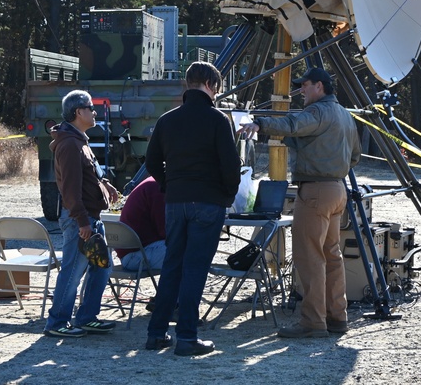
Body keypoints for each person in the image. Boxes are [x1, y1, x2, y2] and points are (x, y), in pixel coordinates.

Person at [241, 66, 361, 339]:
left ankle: (313, 322)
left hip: (316, 191)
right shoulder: (344, 114)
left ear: (319, 86)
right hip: (337, 189)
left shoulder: (317, 112)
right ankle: (336, 317)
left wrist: (260, 123)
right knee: (332, 256)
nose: (301, 90)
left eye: (304, 85)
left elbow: (293, 124)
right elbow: (355, 155)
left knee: (310, 258)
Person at [144, 61, 242, 356]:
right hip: (208, 201)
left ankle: (156, 333)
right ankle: (186, 336)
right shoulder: (218, 119)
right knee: (195, 269)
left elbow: (151, 163)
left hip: (175, 201)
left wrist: (168, 184)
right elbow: (231, 167)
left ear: (188, 84)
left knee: (173, 266)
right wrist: (226, 194)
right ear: (212, 86)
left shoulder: (167, 120)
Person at [43, 89, 120, 339]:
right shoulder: (69, 144)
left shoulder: (80, 141)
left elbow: (90, 173)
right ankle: (57, 322)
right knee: (73, 270)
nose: (94, 112)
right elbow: (70, 189)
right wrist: (82, 221)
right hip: (81, 220)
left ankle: (87, 318)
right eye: (90, 108)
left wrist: (105, 183)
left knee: (101, 268)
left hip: (91, 218)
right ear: (79, 112)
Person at [115, 175, 166, 272]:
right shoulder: (158, 188)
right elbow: (165, 231)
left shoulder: (153, 183)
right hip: (136, 256)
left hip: (132, 253)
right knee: (191, 250)